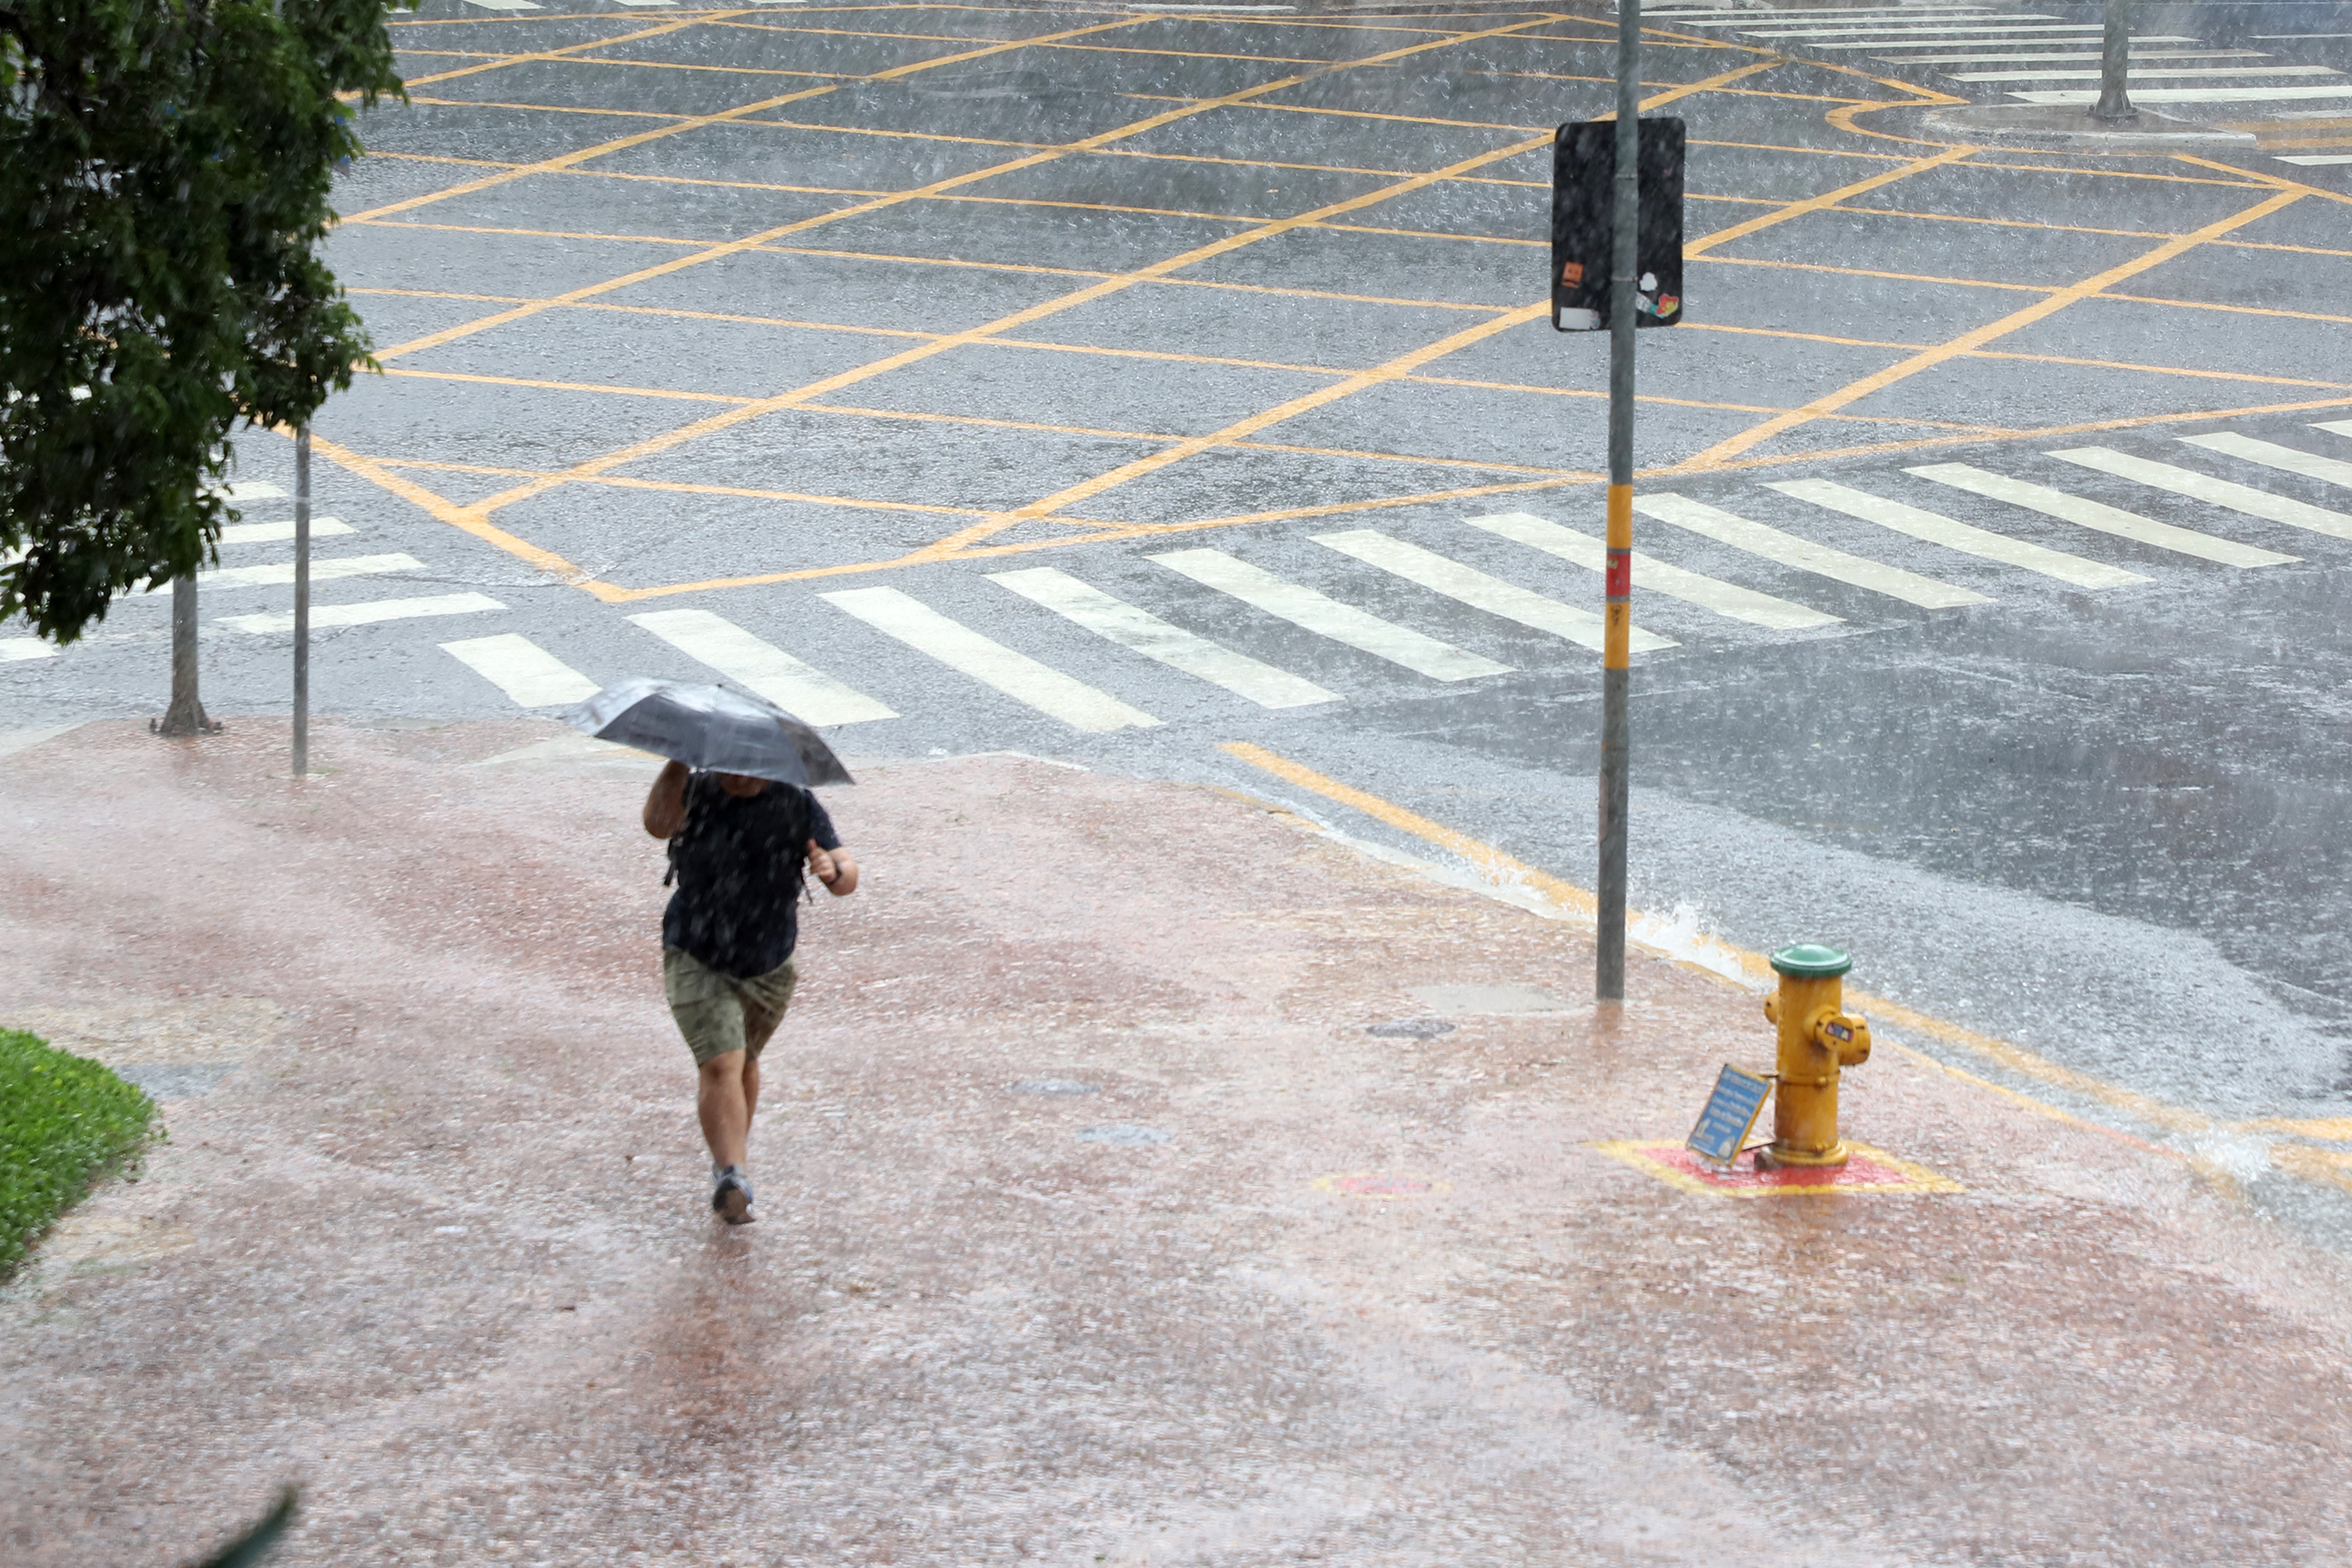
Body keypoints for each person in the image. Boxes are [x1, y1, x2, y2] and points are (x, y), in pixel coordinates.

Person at [642, 760, 858, 1225]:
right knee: (721, 1060)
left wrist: (830, 869)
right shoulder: (695, 789)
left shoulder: (794, 801)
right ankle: (733, 1175)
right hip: (696, 951)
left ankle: (730, 1162)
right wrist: (677, 762)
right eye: (731, 767)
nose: (740, 777)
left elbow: (847, 875)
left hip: (769, 961)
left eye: (752, 769)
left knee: (745, 1059)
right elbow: (657, 825)